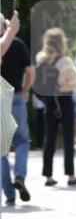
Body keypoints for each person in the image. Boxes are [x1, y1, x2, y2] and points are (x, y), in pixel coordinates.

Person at [34, 27, 76, 187]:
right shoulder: (65, 61)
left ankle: (48, 176)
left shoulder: (40, 60)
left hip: (49, 102)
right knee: (69, 138)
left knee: (49, 139)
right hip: (64, 101)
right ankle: (70, 175)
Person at [1, 13, 34, 206]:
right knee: (22, 141)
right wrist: (27, 90)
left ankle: (9, 194)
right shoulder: (18, 44)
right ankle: (20, 175)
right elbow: (30, 70)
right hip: (17, 97)